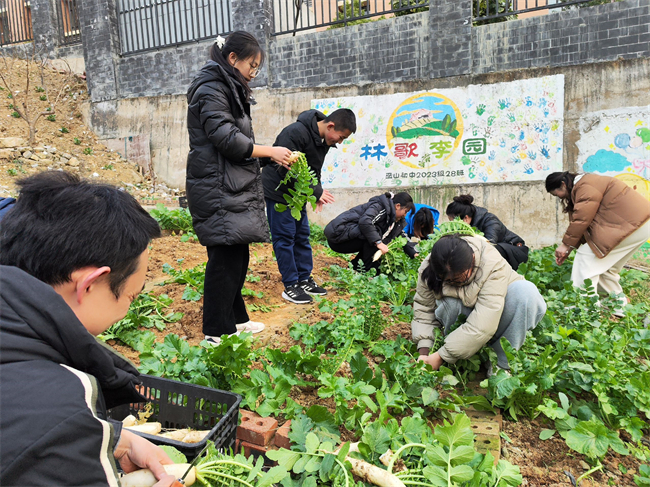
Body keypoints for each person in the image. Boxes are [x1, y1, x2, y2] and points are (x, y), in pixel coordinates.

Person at [0, 172, 176, 487]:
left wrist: (115, 439)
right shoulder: (59, 408)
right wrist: (74, 435)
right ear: (90, 284)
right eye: (131, 297)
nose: (125, 311)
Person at [186, 32, 293, 345]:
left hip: (226, 184)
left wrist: (270, 157)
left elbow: (235, 145)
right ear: (232, 59)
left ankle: (236, 319)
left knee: (236, 256)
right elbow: (227, 139)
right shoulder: (211, 88)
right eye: (252, 64)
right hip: (216, 188)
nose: (253, 72)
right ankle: (215, 332)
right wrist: (269, 151)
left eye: (257, 67)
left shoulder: (226, 86)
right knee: (224, 260)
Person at [411, 234, 546, 374]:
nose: (453, 282)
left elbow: (483, 325)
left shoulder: (492, 264)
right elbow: (424, 309)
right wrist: (425, 351)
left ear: (473, 260)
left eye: (457, 278)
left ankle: (500, 363)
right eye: (447, 280)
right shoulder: (431, 266)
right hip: (466, 323)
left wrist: (441, 356)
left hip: (497, 319)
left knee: (525, 292)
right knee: (450, 302)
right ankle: (460, 355)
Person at [262, 108, 357, 304]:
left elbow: (314, 171)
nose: (339, 142)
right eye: (341, 137)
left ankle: (304, 279)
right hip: (279, 191)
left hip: (297, 195)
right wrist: (315, 191)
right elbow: (286, 167)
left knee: (302, 235)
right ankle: (291, 285)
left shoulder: (323, 142)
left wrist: (316, 193)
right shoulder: (295, 132)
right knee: (284, 238)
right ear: (330, 126)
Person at [546, 171, 650, 315]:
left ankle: (585, 309)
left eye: (556, 192)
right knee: (606, 268)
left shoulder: (585, 185)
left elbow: (582, 219)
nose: (559, 196)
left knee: (585, 259)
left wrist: (566, 244)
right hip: (640, 225)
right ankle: (617, 307)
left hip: (631, 225)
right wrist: (570, 247)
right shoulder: (587, 183)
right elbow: (585, 225)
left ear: (563, 184)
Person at [324, 192, 416, 272]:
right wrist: (378, 242)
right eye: (406, 211)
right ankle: (366, 270)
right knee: (375, 235)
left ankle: (356, 267)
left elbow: (400, 234)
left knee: (375, 236)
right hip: (338, 238)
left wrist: (413, 252)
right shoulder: (381, 207)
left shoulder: (394, 218)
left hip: (347, 236)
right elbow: (365, 221)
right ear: (398, 206)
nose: (405, 215)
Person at [445, 194, 529, 271]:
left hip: (515, 251)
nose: (453, 226)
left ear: (466, 218)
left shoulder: (490, 221)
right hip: (499, 252)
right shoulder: (469, 224)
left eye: (454, 222)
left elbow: (490, 245)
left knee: (487, 249)